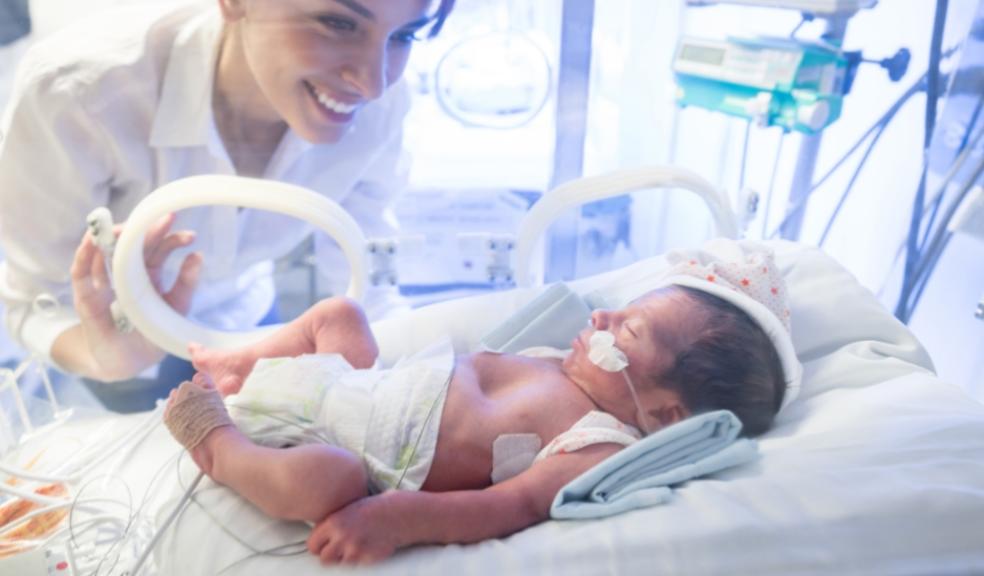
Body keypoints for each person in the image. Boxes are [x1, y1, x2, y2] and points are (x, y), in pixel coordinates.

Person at [164, 250, 790, 564]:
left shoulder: (596, 441)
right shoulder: (557, 357)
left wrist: (400, 519)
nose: (602, 316)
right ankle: (241, 364)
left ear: (667, 414)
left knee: (330, 480)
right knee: (341, 314)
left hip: (358, 452)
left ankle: (220, 447)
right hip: (354, 384)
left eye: (629, 330)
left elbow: (510, 506)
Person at [0, 0, 454, 411]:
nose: (373, 83)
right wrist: (105, 358)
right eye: (337, 23)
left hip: (248, 315)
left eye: (405, 35)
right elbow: (31, 300)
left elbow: (367, 276)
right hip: (119, 338)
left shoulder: (381, 109)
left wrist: (428, 382)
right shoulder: (79, 96)